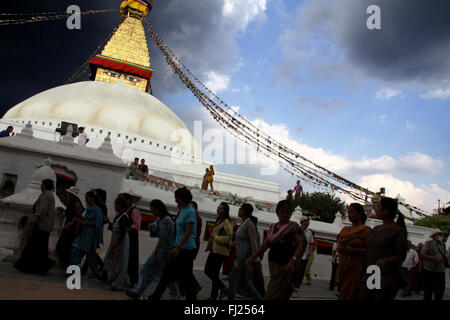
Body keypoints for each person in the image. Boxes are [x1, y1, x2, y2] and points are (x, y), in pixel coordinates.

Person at [247, 200, 305, 300]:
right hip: (273, 261)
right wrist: (254, 256)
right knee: (280, 292)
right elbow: (266, 244)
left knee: (272, 292)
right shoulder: (273, 227)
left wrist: (293, 261)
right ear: (277, 212)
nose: (285, 214)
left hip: (286, 264)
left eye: (288, 212)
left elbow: (301, 245)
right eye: (283, 211)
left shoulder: (294, 227)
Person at [149, 187, 198, 301]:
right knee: (173, 275)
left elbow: (189, 232)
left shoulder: (190, 211)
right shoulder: (182, 210)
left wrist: (178, 247)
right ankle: (155, 297)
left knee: (182, 278)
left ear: (181, 198)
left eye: (176, 197)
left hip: (187, 249)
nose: (175, 199)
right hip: (180, 247)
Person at [126, 199, 180, 300]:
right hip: (160, 252)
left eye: (152, 209)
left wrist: (155, 252)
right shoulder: (160, 219)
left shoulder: (167, 221)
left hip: (165, 253)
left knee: (168, 276)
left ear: (158, 209)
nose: (151, 212)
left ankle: (176, 295)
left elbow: (163, 240)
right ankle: (138, 291)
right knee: (147, 270)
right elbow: (156, 233)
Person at [359, 197, 408, 300]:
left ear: (386, 210)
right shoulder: (376, 229)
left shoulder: (397, 231)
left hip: (384, 277)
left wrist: (386, 260)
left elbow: (401, 255)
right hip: (370, 273)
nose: (375, 209)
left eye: (378, 206)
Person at [14, 179, 56, 275]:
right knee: (40, 248)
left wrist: (35, 218)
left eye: (42, 185)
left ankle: (30, 266)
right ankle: (38, 267)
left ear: (44, 185)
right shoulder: (50, 195)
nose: (41, 186)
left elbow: (42, 209)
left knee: (34, 246)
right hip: (45, 225)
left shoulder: (46, 195)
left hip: (41, 225)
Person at [228, 203, 263, 300]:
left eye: (240, 208)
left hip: (244, 258)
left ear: (244, 211)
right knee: (245, 282)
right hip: (240, 256)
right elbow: (241, 239)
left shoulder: (249, 224)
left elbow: (253, 242)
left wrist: (255, 258)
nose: (238, 210)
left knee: (232, 279)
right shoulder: (243, 223)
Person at [336, 203, 371, 300]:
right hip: (344, 266)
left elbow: (370, 251)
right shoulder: (344, 230)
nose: (349, 215)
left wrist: (356, 250)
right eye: (348, 212)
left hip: (357, 268)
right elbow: (339, 247)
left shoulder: (366, 231)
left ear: (360, 215)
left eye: (352, 212)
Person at [69, 191, 103, 276]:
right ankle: (94, 271)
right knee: (81, 251)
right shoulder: (90, 208)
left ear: (92, 198)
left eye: (87, 198)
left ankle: (73, 269)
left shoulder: (97, 209)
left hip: (90, 234)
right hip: (85, 232)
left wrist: (85, 223)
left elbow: (97, 223)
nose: (86, 200)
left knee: (80, 251)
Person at [204, 202, 233, 300]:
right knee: (213, 273)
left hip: (220, 251)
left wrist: (215, 237)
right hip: (215, 249)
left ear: (225, 211)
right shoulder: (219, 220)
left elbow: (229, 237)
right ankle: (213, 295)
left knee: (208, 271)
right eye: (218, 207)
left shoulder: (226, 222)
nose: (218, 209)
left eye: (220, 208)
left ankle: (223, 288)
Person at [103, 197, 131, 291]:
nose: (115, 206)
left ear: (120, 205)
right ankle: (113, 279)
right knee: (113, 260)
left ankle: (117, 283)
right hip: (116, 240)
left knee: (119, 261)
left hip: (120, 241)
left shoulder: (124, 216)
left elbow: (123, 231)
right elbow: (115, 228)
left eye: (116, 204)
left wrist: (117, 242)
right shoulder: (119, 215)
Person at [56, 186, 84, 270]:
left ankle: (66, 263)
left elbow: (79, 214)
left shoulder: (76, 203)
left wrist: (71, 223)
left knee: (65, 244)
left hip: (72, 226)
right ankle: (64, 262)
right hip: (70, 223)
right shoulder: (71, 202)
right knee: (64, 244)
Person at [81, 189, 109, 275]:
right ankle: (87, 269)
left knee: (90, 250)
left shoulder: (100, 207)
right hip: (91, 230)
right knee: (90, 250)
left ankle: (94, 269)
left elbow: (102, 220)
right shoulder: (97, 206)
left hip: (94, 230)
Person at [120, 193, 141, 287]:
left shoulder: (134, 211)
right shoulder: (126, 210)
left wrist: (126, 230)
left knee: (132, 257)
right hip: (127, 235)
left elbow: (136, 225)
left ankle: (133, 280)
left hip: (132, 236)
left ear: (128, 200)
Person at [421, 229, 447, 300]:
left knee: (440, 290)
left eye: (441, 235)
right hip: (429, 270)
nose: (441, 236)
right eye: (439, 234)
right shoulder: (428, 243)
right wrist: (434, 258)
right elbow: (422, 254)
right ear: (434, 236)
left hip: (440, 270)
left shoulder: (443, 245)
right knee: (428, 290)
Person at [295, 216, 314, 289]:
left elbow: (311, 243)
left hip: (305, 254)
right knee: (296, 269)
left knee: (301, 271)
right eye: (306, 221)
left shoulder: (309, 232)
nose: (308, 223)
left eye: (308, 221)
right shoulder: (298, 230)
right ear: (302, 223)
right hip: (297, 253)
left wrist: (310, 251)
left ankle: (297, 285)